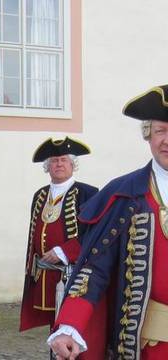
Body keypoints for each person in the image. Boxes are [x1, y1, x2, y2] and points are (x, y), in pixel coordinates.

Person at [49, 85, 168, 359]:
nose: (167, 140)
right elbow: (95, 268)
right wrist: (70, 324)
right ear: (148, 136)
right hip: (148, 346)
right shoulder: (125, 195)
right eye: (161, 131)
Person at [20, 136, 98, 334]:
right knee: (53, 327)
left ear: (73, 164)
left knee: (71, 324)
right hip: (45, 274)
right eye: (54, 161)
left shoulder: (87, 193)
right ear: (48, 167)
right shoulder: (40, 195)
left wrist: (64, 251)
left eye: (64, 160)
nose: (59, 164)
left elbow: (93, 233)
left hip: (71, 273)